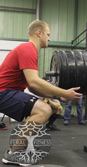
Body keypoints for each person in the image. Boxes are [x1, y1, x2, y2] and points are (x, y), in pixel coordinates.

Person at [0, 20, 82, 166]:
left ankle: (22, 148)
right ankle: (13, 153)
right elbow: (34, 82)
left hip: (7, 93)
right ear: (39, 33)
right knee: (44, 109)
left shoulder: (29, 50)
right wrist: (65, 92)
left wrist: (57, 96)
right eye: (48, 34)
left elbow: (33, 88)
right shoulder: (28, 49)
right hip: (3, 93)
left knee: (41, 111)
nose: (49, 38)